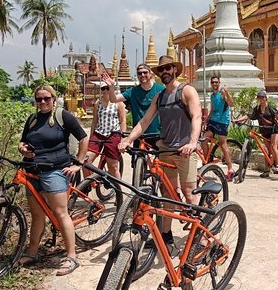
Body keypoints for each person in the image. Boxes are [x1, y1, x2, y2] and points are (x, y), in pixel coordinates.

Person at [118, 55, 202, 248]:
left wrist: (192, 142)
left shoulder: (186, 91)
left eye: (167, 69)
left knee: (189, 193)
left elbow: (197, 116)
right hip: (166, 149)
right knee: (167, 195)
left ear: (174, 69)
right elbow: (145, 121)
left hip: (185, 150)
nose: (164, 72)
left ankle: (200, 234)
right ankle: (166, 236)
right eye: (161, 70)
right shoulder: (160, 96)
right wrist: (128, 139)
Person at [17, 85, 88, 276]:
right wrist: (22, 149)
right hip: (32, 171)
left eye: (46, 98)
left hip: (55, 170)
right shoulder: (32, 119)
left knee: (60, 213)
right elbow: (23, 141)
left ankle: (72, 256)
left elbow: (83, 138)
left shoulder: (62, 116)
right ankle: (32, 252)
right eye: (38, 100)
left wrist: (78, 163)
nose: (42, 102)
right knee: (37, 214)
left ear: (53, 98)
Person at [103, 63, 165, 138]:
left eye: (145, 72)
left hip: (156, 134)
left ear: (151, 73)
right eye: (139, 73)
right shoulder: (132, 91)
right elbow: (113, 99)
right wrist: (111, 87)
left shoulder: (160, 89)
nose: (142, 75)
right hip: (138, 134)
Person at [232, 90, 278, 178]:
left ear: (265, 98)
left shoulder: (270, 107)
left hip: (274, 130)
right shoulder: (257, 109)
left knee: (274, 146)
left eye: (262, 97)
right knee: (267, 151)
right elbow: (249, 116)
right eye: (259, 97)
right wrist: (237, 120)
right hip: (265, 131)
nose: (261, 99)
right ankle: (267, 170)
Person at [84, 84, 126, 179]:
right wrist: (91, 137)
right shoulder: (98, 103)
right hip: (99, 133)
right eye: (103, 88)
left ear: (112, 89)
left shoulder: (119, 103)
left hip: (113, 134)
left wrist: (123, 139)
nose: (106, 91)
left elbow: (123, 121)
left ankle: (118, 191)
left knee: (113, 166)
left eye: (108, 88)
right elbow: (95, 121)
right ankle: (87, 187)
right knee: (86, 161)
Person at [203, 75, 235, 181]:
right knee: (203, 139)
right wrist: (205, 121)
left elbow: (231, 103)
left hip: (222, 122)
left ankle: (230, 169)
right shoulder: (212, 95)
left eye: (216, 82)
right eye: (213, 82)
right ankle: (207, 162)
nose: (214, 84)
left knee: (223, 145)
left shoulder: (222, 93)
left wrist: (227, 93)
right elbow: (212, 109)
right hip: (213, 121)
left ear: (219, 83)